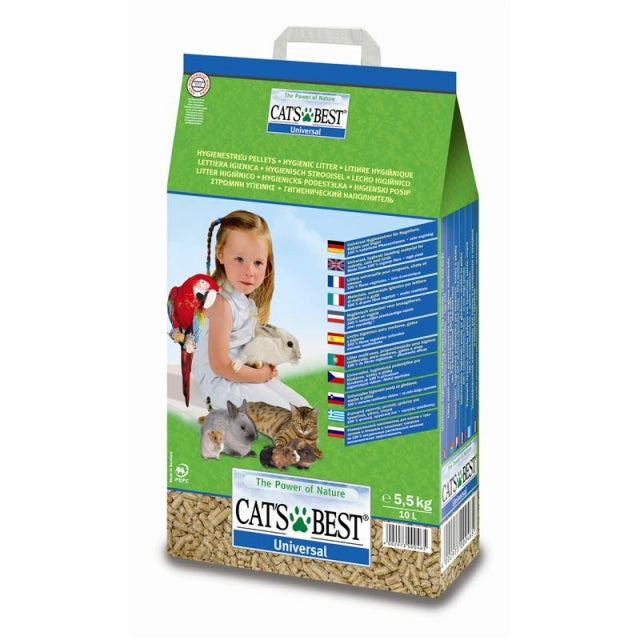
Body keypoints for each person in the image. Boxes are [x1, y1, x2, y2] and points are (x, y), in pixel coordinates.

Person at [192, 210, 309, 410]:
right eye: (239, 259)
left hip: (241, 370)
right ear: (220, 254)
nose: (249, 272)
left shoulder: (246, 300)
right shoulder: (221, 305)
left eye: (257, 263)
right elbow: (220, 366)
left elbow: (245, 346)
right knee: (285, 415)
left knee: (303, 410)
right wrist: (261, 375)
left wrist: (264, 367)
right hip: (220, 381)